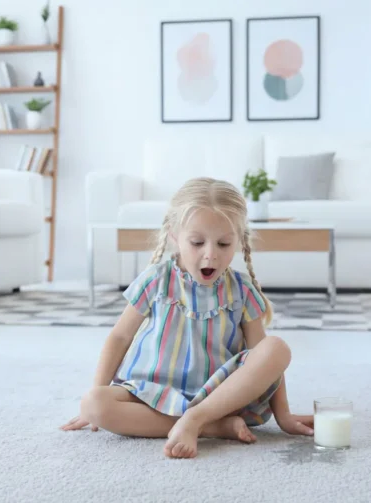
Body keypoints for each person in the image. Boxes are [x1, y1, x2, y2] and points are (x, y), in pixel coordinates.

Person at [60, 177, 314, 459]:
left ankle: (199, 417)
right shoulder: (157, 280)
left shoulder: (241, 290)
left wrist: (284, 416)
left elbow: (263, 358)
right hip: (152, 393)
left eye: (223, 244)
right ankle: (211, 427)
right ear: (174, 236)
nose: (210, 255)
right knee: (93, 403)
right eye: (197, 242)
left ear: (239, 242)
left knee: (276, 347)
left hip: (220, 394)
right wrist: (98, 394)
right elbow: (120, 336)